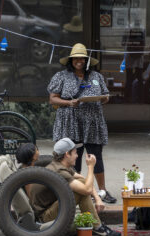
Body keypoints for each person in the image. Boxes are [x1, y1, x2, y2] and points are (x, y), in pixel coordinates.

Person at [47, 43, 117, 203]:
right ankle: (76, 191)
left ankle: (102, 192)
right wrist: (69, 103)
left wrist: (103, 98)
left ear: (87, 60)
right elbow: (53, 99)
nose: (79, 61)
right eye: (76, 58)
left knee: (96, 156)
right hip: (71, 122)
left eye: (82, 58)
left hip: (92, 123)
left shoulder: (96, 77)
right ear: (71, 60)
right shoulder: (61, 76)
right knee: (73, 157)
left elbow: (105, 95)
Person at [30, 138, 121, 236]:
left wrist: (98, 199)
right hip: (44, 217)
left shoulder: (60, 165)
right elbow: (86, 189)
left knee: (81, 185)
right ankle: (97, 228)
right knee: (81, 191)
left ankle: (96, 226)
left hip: (50, 209)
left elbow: (84, 180)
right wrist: (91, 167)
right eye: (75, 153)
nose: (77, 156)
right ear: (67, 154)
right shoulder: (60, 171)